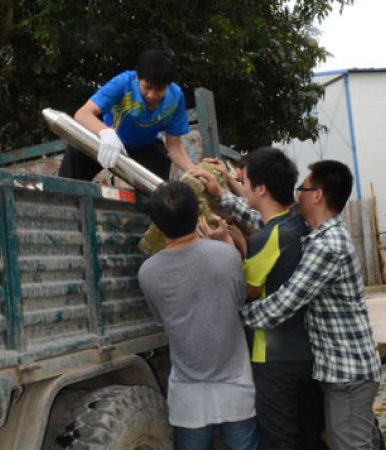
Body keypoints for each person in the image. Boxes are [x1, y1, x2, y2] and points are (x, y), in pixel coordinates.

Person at [236, 160, 382, 450]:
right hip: (339, 370)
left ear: (317, 195)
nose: (296, 193)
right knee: (355, 438)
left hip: (348, 373)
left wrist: (235, 313)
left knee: (350, 444)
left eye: (302, 188)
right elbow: (269, 222)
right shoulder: (314, 233)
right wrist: (227, 197)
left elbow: (284, 304)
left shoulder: (329, 245)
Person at [195, 148, 326, 449]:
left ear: (261, 188)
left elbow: (247, 291)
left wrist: (225, 246)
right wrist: (221, 190)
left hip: (274, 358)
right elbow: (256, 216)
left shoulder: (269, 237)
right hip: (306, 351)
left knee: (279, 438)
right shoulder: (296, 223)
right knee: (309, 434)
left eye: (245, 181)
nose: (240, 185)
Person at [137, 181, 261, 450]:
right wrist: (230, 242)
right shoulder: (225, 256)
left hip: (188, 396)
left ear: (157, 226)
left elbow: (163, 321)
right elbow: (241, 299)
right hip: (235, 387)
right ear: (198, 215)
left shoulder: (148, 272)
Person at [58, 48, 194, 181]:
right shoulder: (123, 83)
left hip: (143, 148)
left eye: (159, 89)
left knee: (160, 164)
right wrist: (105, 132)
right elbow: (82, 114)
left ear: (168, 85)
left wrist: (194, 171)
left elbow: (174, 146)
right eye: (147, 87)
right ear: (138, 78)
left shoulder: (176, 98)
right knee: (77, 149)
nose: (152, 95)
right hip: (108, 142)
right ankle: (61, 197)